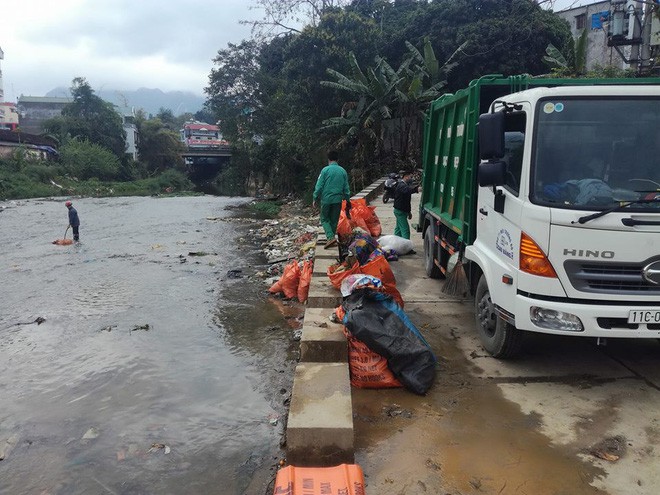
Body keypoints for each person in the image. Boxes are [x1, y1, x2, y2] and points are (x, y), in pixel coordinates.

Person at [312, 150, 351, 249]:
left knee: (324, 218)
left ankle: (330, 237)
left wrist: (315, 197)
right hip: (338, 200)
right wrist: (348, 200)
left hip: (326, 199)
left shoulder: (325, 170)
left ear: (328, 159)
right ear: (338, 159)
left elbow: (319, 185)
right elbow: (346, 189)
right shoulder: (343, 171)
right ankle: (332, 238)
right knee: (334, 220)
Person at [392, 170, 419, 240]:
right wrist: (416, 189)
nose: (411, 179)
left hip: (401, 211)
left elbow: (407, 201)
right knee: (405, 230)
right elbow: (407, 190)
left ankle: (395, 243)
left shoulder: (404, 185)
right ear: (406, 177)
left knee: (398, 229)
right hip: (400, 211)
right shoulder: (401, 185)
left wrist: (409, 212)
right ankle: (406, 248)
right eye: (411, 177)